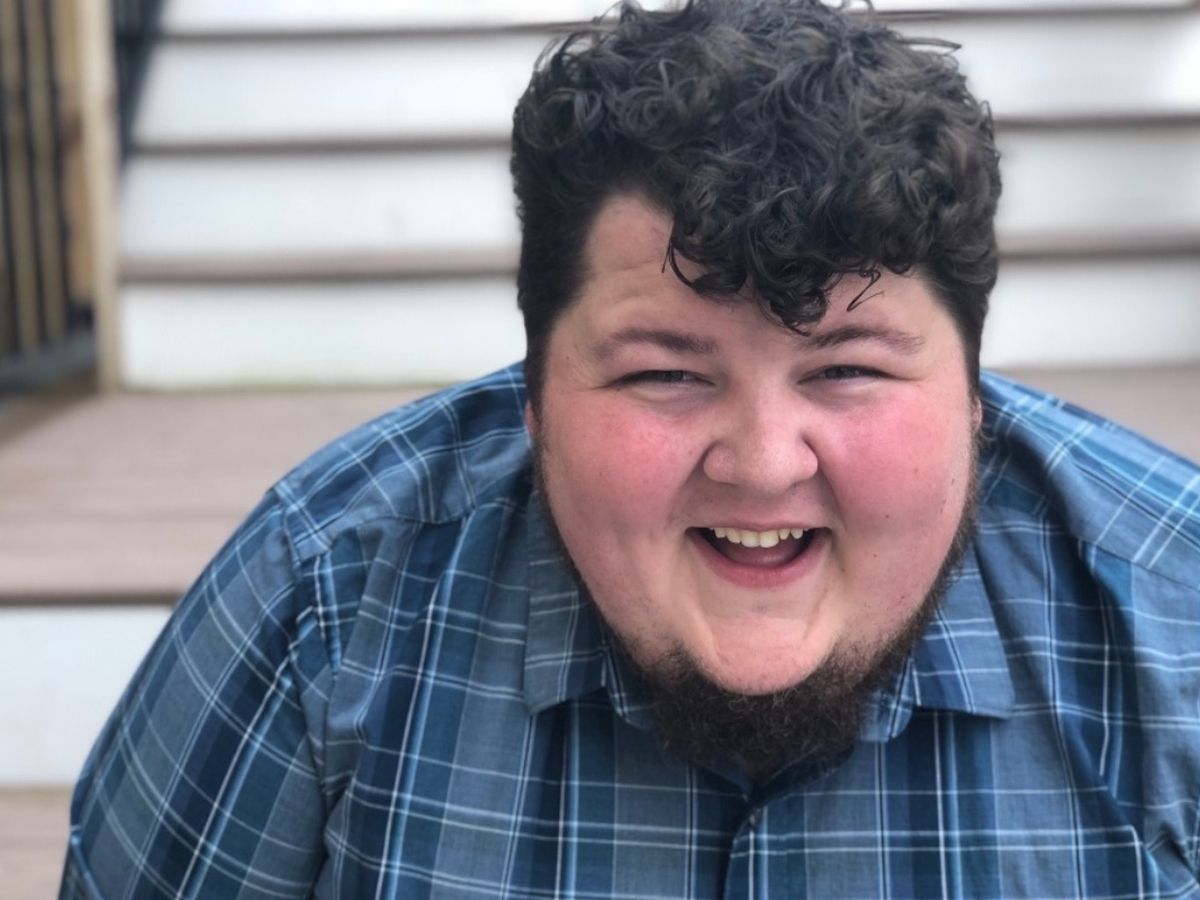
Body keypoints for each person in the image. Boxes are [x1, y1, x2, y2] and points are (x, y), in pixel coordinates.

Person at [61, 0, 1200, 896]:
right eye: (666, 374)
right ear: (534, 400)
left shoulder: (1179, 619)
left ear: (972, 400)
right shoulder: (321, 601)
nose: (764, 464)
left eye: (846, 369)